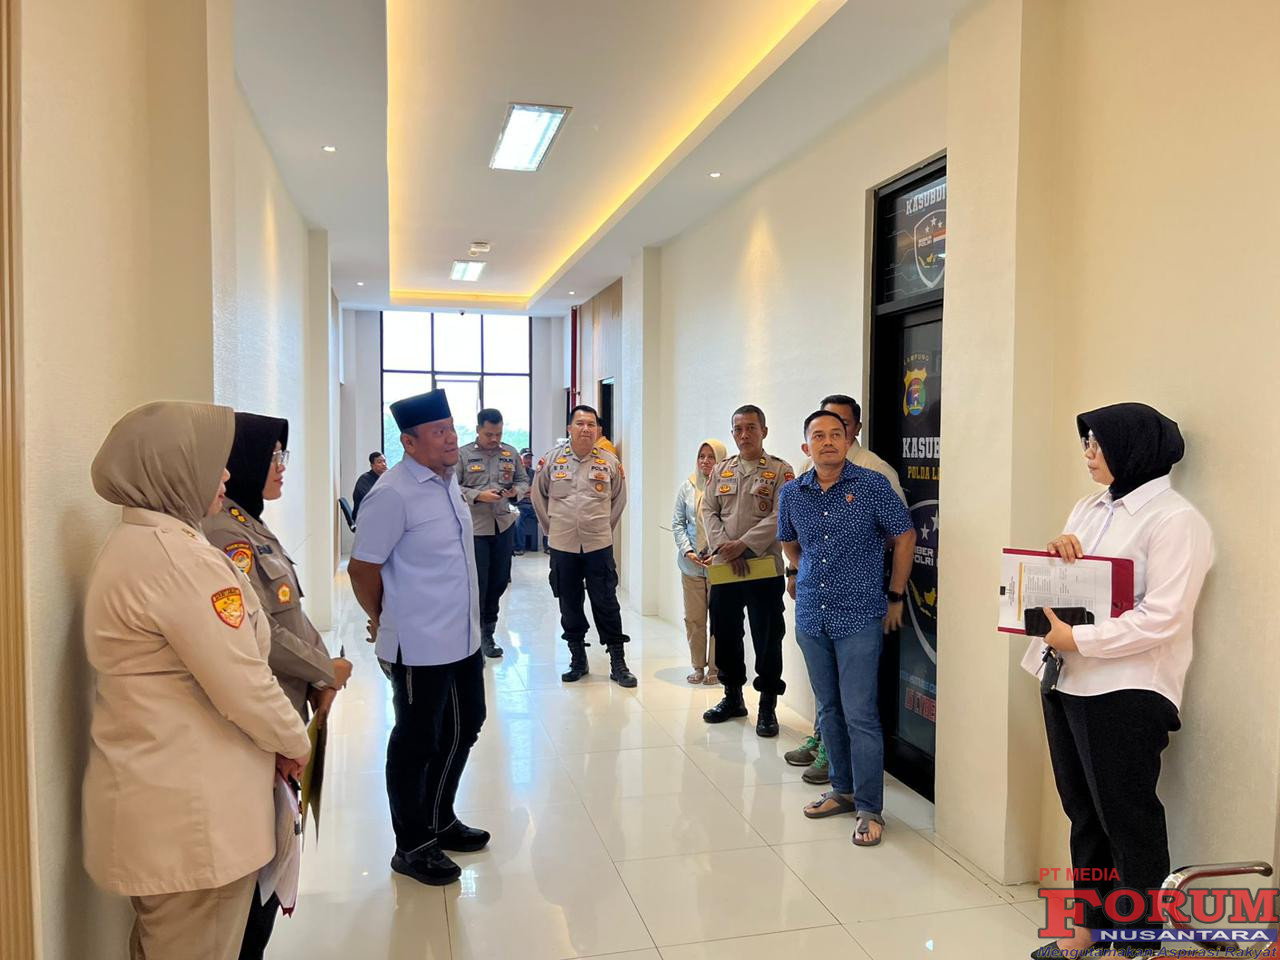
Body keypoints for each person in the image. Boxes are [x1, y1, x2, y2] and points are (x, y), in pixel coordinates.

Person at [83, 401, 311, 960]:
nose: (226, 475)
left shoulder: (142, 544)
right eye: (211, 462)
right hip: (194, 823)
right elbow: (244, 684)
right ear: (172, 470)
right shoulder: (180, 561)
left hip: (165, 809)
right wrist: (296, 743)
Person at [1025, 403, 1213, 960]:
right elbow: (1073, 585)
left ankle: (1137, 942)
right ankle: (1090, 927)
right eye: (1085, 442)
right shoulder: (1089, 507)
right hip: (1066, 678)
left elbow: (1165, 617)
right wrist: (1056, 557)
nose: (1088, 454)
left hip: (1127, 690)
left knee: (1127, 820)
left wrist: (1080, 639)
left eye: (1097, 443)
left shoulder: (1176, 520)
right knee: (1083, 813)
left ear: (1134, 449)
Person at [201, 412, 354, 959]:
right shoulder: (225, 535)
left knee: (274, 854)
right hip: (260, 716)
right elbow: (257, 633)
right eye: (273, 456)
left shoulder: (250, 522)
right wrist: (323, 670)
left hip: (287, 704)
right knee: (255, 876)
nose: (282, 467)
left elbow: (289, 610)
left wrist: (320, 668)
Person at [347, 389, 489, 888]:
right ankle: (411, 845)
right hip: (419, 644)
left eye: (451, 428)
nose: (451, 438)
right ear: (408, 442)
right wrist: (383, 617)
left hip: (463, 637)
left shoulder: (448, 483)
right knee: (417, 741)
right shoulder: (392, 493)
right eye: (438, 432)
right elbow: (362, 568)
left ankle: (440, 819)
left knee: (466, 724)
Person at [778, 410, 915, 848]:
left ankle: (870, 808)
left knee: (860, 714)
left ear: (848, 438)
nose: (828, 442)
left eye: (835, 434)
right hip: (811, 617)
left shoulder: (872, 484)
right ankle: (841, 790)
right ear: (806, 447)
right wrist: (801, 571)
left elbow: (905, 535)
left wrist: (895, 594)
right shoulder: (792, 492)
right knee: (828, 709)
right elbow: (789, 542)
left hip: (858, 616)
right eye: (818, 436)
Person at [699, 404, 795, 736]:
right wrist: (725, 546)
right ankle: (732, 697)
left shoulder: (781, 471)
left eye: (751, 428)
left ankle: (767, 704)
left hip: (763, 567)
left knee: (767, 636)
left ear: (763, 431)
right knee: (725, 632)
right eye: (738, 429)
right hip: (726, 567)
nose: (744, 434)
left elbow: (782, 515)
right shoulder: (721, 470)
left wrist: (744, 545)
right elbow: (708, 509)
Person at [531, 404, 636, 687]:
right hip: (563, 545)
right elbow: (538, 496)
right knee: (569, 602)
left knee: (606, 601)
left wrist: (602, 529)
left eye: (591, 424)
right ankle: (578, 658)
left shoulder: (609, 462)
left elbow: (619, 499)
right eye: (580, 423)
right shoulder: (551, 460)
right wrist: (553, 530)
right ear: (569, 428)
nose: (586, 429)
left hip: (598, 544)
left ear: (598, 429)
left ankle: (618, 661)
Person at [454, 408, 528, 658]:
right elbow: (452, 487)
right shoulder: (463, 455)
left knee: (498, 581)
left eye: (498, 434)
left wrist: (515, 492)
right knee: (478, 583)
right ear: (478, 430)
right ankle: (475, 637)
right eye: (489, 434)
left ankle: (488, 632)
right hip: (475, 529)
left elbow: (523, 480)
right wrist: (478, 495)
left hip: (503, 525)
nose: (494, 439)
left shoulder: (510, 453)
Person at [672, 438, 728, 684]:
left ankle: (715, 668)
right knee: (694, 619)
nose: (705, 461)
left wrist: (719, 553)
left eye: (711, 456)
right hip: (691, 565)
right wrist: (687, 551)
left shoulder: (727, 487)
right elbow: (678, 523)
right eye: (701, 456)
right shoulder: (688, 486)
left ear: (721, 459)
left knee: (719, 618)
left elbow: (731, 524)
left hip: (719, 565)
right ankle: (697, 666)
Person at [514, 448, 541, 555]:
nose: (528, 460)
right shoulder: (514, 473)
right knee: (518, 520)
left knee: (548, 517)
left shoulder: (534, 473)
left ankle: (548, 547)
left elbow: (536, 490)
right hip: (520, 505)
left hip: (533, 505)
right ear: (520, 458)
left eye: (529, 458)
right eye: (526, 458)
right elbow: (514, 491)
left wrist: (524, 491)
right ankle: (519, 547)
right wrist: (525, 491)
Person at [352, 450, 387, 518]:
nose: (384, 464)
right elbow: (372, 500)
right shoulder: (364, 479)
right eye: (379, 462)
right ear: (372, 466)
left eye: (384, 461)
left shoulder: (384, 478)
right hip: (364, 517)